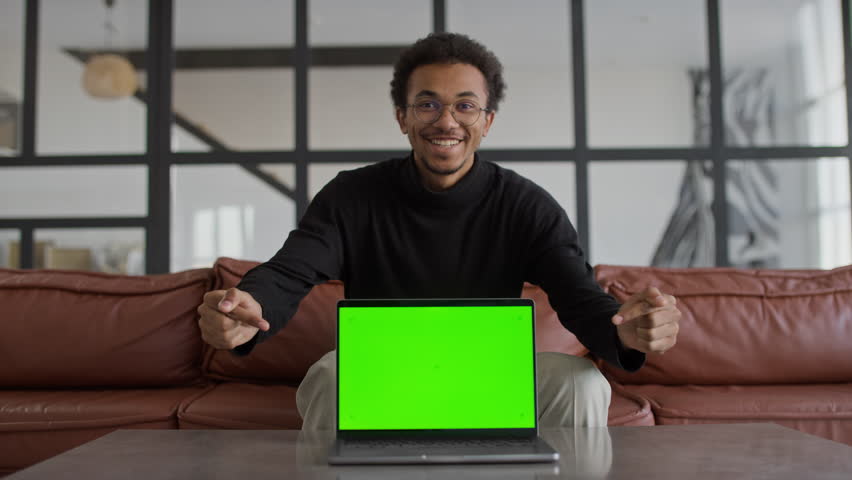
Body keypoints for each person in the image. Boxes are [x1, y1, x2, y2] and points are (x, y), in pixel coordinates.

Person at [197, 32, 681, 430]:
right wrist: (248, 307)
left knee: (583, 383)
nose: (446, 120)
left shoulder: (526, 205)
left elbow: (580, 298)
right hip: (380, 372)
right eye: (427, 105)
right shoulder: (351, 196)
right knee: (329, 375)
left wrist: (630, 332)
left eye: (465, 106)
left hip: (493, 373)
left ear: (487, 121)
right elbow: (289, 272)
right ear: (402, 118)